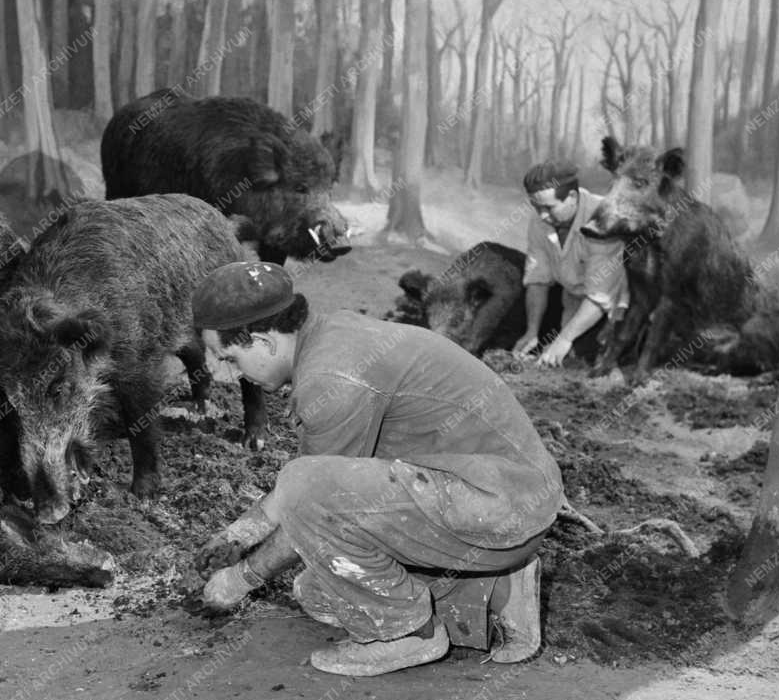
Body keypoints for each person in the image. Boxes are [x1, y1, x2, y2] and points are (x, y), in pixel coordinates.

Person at [190, 261, 563, 677]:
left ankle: (406, 634)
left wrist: (242, 578)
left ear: (262, 340)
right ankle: (495, 589)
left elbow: (306, 496)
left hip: (500, 511)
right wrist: (237, 535)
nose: (224, 373)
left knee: (310, 503)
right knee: (317, 591)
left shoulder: (331, 378)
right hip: (498, 498)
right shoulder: (332, 335)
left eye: (230, 358)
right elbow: (313, 489)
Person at [513, 160, 628, 367]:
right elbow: (538, 278)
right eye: (536, 207)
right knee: (556, 359)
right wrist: (532, 331)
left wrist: (564, 339)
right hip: (575, 303)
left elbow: (599, 295)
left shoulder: (603, 219)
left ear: (572, 197)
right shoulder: (540, 220)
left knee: (586, 362)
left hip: (613, 310)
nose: (542, 215)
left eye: (548, 208)